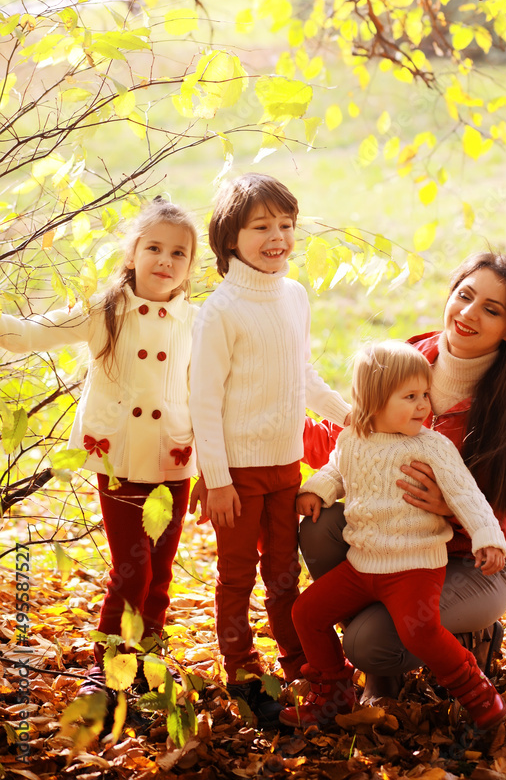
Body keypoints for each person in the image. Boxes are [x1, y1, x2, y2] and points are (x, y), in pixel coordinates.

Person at [300, 251, 506, 703]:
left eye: (491, 310)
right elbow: (354, 439)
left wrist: (456, 512)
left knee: (366, 641)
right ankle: (383, 673)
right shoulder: (409, 358)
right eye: (465, 295)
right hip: (388, 542)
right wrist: (263, 431)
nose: (468, 314)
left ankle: (451, 643)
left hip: (471, 559)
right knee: (320, 525)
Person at [0, 198, 199, 696]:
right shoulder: (104, 311)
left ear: (191, 266)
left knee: (159, 573)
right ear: (131, 253)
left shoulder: (196, 322)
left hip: (174, 462)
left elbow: (213, 391)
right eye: (153, 247)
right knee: (133, 569)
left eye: (179, 253)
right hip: (122, 461)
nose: (165, 261)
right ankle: (108, 671)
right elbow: (31, 334)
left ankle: (147, 661)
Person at [280, 341, 506, 731]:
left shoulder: (432, 446)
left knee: (419, 631)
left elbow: (464, 492)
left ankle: (479, 694)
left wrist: (487, 535)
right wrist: (315, 489)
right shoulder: (354, 439)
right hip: (362, 565)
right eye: (410, 397)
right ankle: (334, 691)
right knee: (307, 612)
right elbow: (336, 470)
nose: (423, 406)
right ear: (374, 401)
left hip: (415, 567)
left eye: (425, 395)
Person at [188, 173, 350, 725]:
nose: (276, 236)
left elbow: (304, 376)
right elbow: (203, 401)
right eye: (261, 226)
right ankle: (241, 666)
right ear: (231, 237)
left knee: (283, 572)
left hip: (285, 466)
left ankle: (297, 657)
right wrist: (218, 478)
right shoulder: (222, 310)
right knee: (236, 576)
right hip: (233, 471)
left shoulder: (294, 296)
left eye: (285, 224)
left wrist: (354, 419)